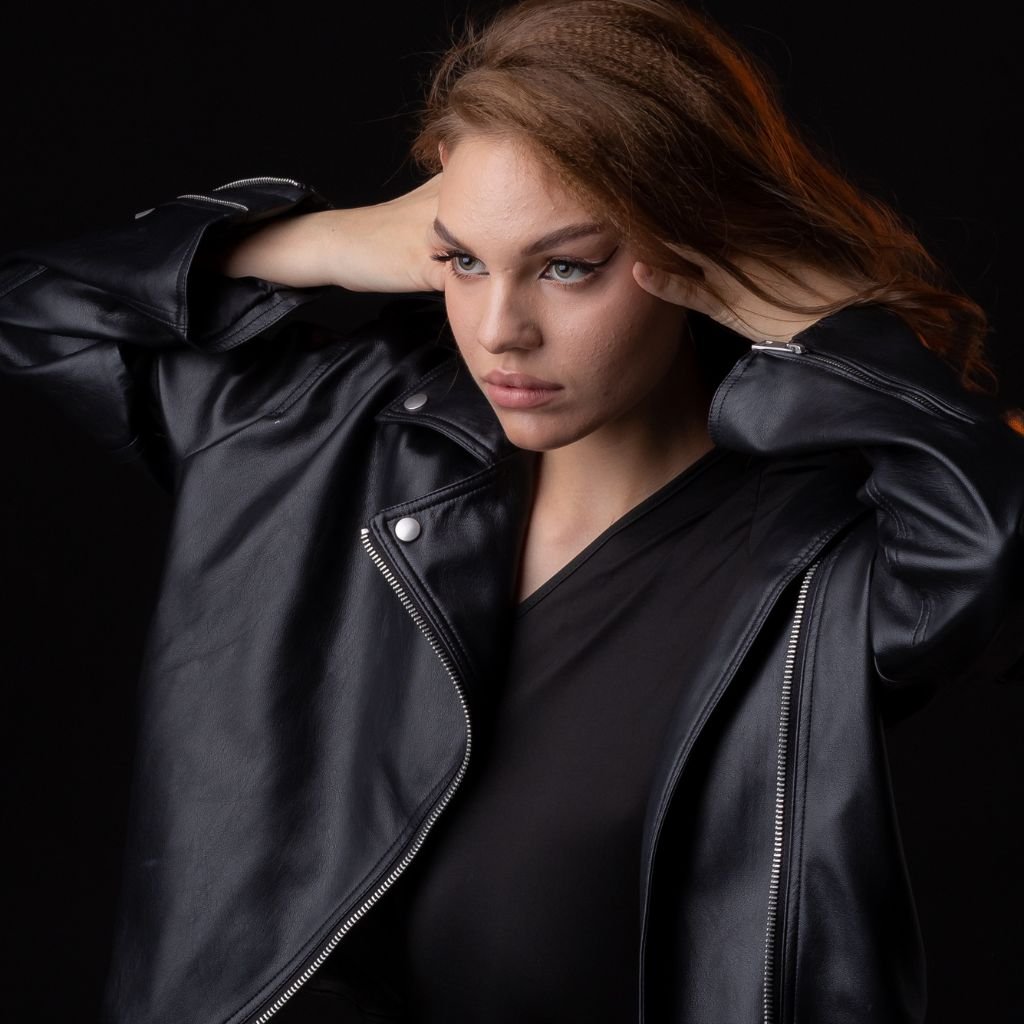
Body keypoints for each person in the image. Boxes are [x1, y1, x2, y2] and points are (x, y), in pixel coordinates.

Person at [2, 0, 1022, 1021]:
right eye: (462, 261)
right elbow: (36, 305)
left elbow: (991, 542)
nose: (499, 331)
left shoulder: (814, 560)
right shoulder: (324, 433)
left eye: (565, 266)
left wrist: (829, 329)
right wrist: (322, 240)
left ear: (703, 255)